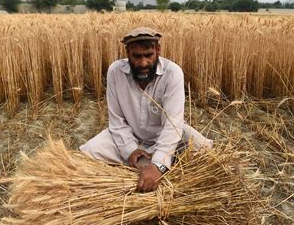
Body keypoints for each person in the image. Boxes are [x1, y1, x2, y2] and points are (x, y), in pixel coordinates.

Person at [80, 27, 212, 192]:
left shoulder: (172, 74)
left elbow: (173, 124)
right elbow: (117, 120)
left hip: (168, 136)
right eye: (136, 56)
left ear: (158, 50)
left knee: (205, 152)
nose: (143, 63)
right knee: (87, 153)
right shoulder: (115, 71)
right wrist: (130, 150)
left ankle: (150, 166)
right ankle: (151, 165)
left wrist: (157, 165)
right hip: (131, 135)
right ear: (127, 53)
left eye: (148, 55)